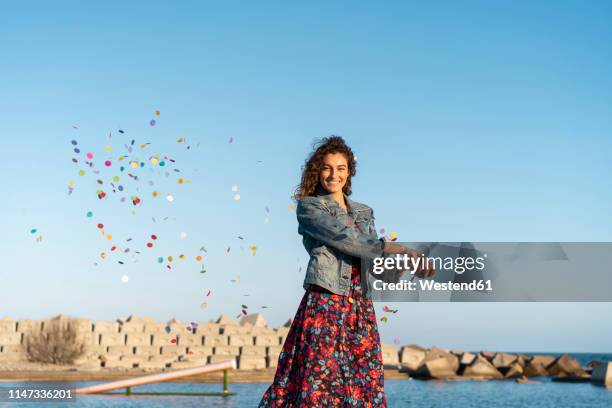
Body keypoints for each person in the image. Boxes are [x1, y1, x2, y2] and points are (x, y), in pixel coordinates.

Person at [259, 136, 433, 407]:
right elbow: (346, 238)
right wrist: (402, 251)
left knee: (363, 381)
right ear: (318, 171)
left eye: (341, 168)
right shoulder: (310, 207)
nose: (333, 174)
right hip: (327, 300)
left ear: (349, 172)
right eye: (327, 168)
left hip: (359, 307)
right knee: (318, 382)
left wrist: (407, 267)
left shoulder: (364, 212)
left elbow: (374, 263)